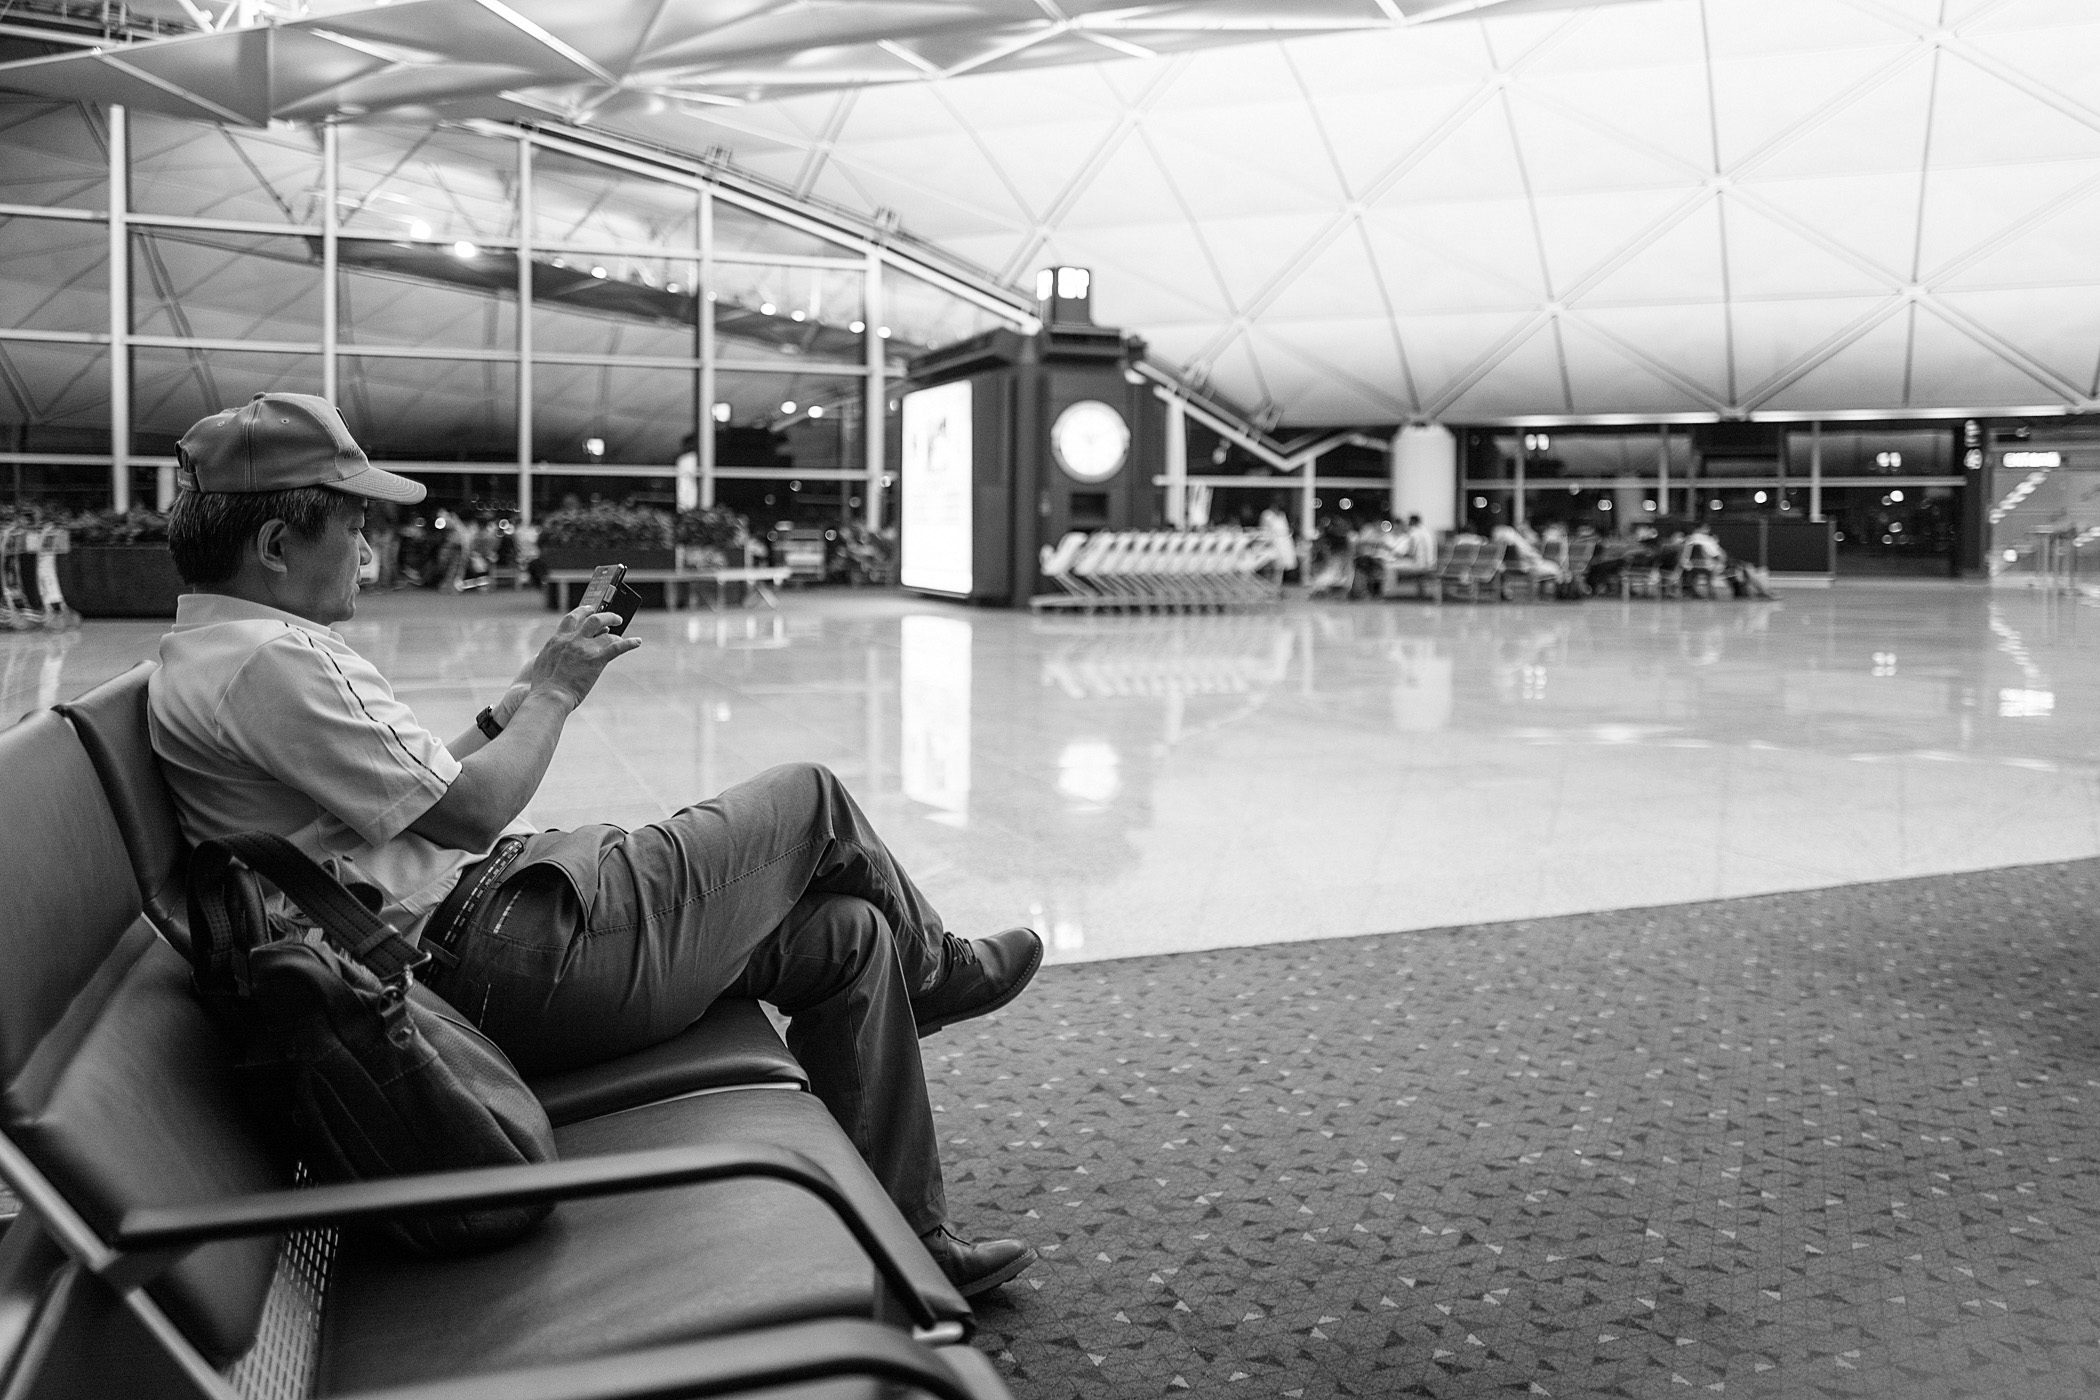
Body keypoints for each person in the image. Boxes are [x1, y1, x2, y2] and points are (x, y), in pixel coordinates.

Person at [146, 393, 1040, 1297]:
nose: (370, 555)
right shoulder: (277, 661)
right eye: (355, 526)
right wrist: (560, 695)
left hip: (474, 950)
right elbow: (470, 814)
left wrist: (520, 693)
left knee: (847, 935)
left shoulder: (217, 654)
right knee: (810, 799)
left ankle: (914, 1243)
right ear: (274, 546)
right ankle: (943, 975)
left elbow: (418, 794)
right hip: (502, 955)